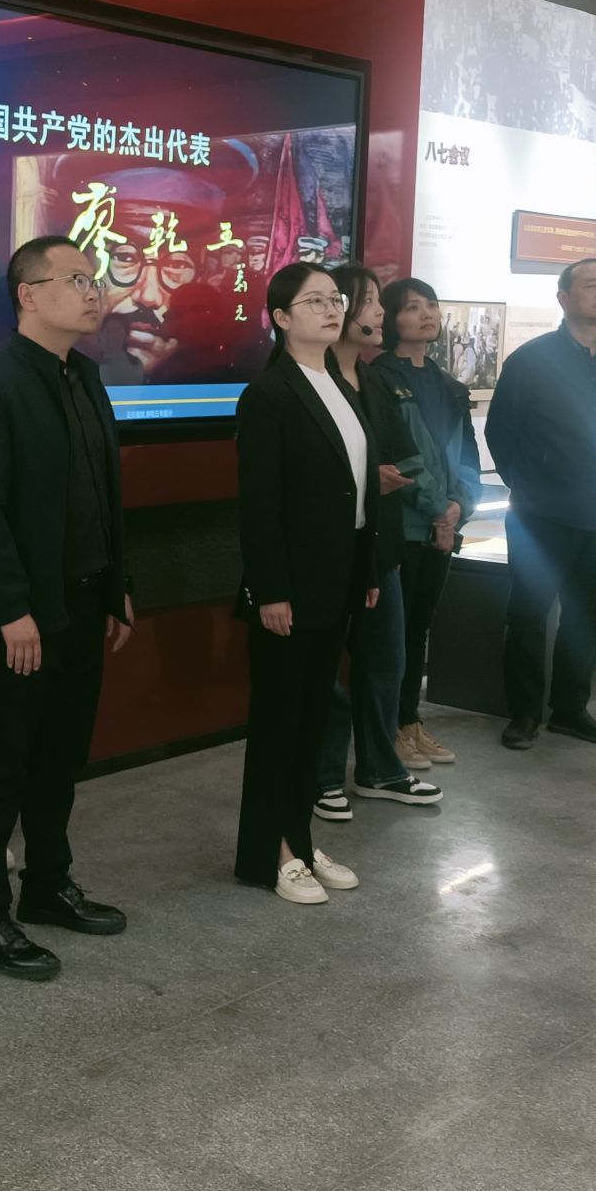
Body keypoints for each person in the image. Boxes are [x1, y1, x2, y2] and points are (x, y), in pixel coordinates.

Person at [0, 236, 134, 982]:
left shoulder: (83, 375)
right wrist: (10, 610)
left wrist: (118, 585)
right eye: (76, 280)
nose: (94, 292)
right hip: (22, 617)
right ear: (29, 295)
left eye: (94, 280)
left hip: (84, 601)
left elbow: (103, 495)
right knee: (2, 763)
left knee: (60, 758)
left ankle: (48, 885)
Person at [233, 263, 375, 902]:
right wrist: (271, 590)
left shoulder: (340, 385)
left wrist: (366, 571)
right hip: (289, 587)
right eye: (314, 301)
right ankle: (272, 852)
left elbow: (357, 492)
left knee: (313, 720)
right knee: (278, 725)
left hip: (337, 578)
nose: (331, 309)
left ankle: (299, 836)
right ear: (281, 318)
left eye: (335, 299)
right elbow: (259, 505)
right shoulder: (269, 394)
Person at [484, 256, 596, 751]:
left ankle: (571, 710)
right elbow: (500, 432)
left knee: (586, 615)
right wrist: (529, 486)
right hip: (540, 514)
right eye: (591, 285)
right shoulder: (531, 360)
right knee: (529, 614)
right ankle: (524, 714)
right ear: (564, 298)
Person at [312, 265, 441, 818]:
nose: (378, 313)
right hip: (330, 549)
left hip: (380, 544)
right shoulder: (309, 380)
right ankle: (321, 776)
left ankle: (380, 768)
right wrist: (368, 476)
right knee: (323, 670)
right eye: (368, 302)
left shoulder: (375, 380)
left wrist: (435, 500)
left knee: (386, 660)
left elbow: (402, 452)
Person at [371, 277, 483, 770]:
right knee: (391, 637)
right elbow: (400, 458)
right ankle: (388, 730)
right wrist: (439, 509)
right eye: (412, 307)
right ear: (391, 318)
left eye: (431, 305)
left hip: (443, 525)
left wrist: (460, 505)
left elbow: (468, 456)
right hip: (404, 527)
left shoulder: (450, 385)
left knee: (418, 630)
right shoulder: (378, 378)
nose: (426, 314)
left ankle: (409, 722)